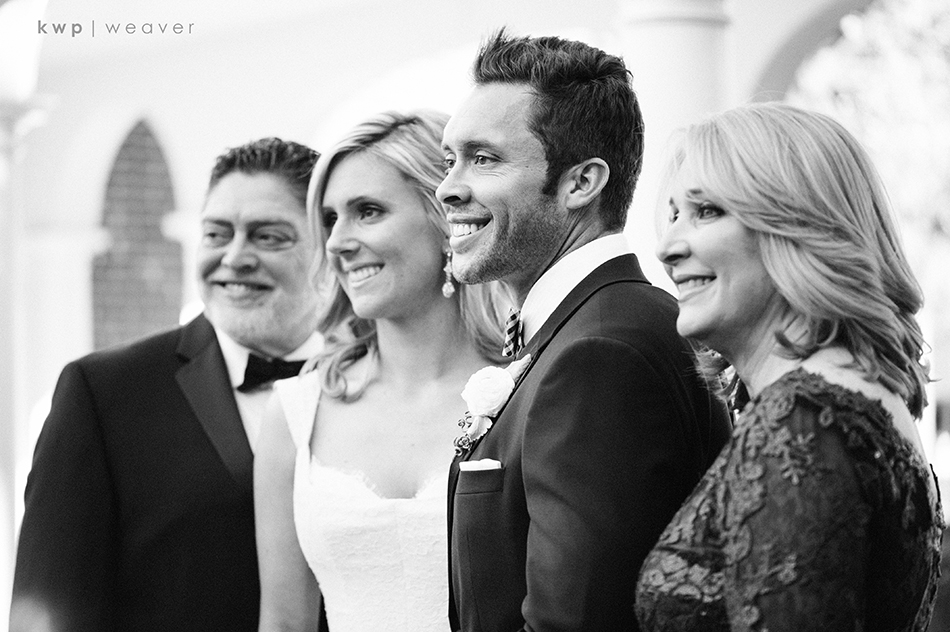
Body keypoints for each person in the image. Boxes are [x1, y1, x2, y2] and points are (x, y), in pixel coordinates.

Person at [437, 29, 733, 631]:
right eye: (451, 161)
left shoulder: (600, 353)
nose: (448, 188)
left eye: (484, 159)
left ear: (581, 183)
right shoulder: (590, 326)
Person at [635, 102, 945, 631]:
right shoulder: (846, 399)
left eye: (706, 211)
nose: (667, 248)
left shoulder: (804, 420)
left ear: (798, 228)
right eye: (673, 215)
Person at [10, 138, 323, 632]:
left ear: (328, 247)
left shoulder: (372, 383)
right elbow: (47, 609)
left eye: (268, 237)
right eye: (217, 234)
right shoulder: (103, 393)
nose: (235, 257)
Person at [254, 110, 507, 632]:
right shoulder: (297, 413)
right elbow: (283, 623)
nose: (336, 242)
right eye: (330, 219)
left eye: (367, 211)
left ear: (446, 220)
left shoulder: (519, 389)